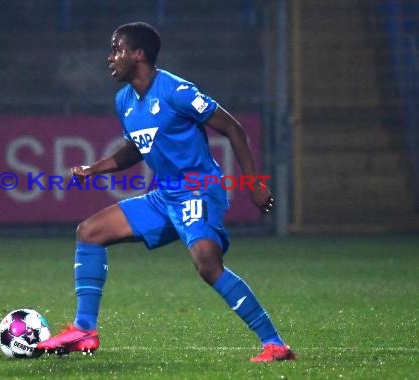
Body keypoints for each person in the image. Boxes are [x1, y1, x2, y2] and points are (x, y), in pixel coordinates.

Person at [36, 21, 295, 362]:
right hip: (165, 196)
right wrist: (93, 169)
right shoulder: (124, 100)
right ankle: (85, 329)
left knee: (207, 263)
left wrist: (254, 183)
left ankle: (275, 344)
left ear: (139, 54)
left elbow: (232, 128)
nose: (110, 57)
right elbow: (134, 149)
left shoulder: (177, 92)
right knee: (89, 232)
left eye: (117, 49)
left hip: (199, 191)